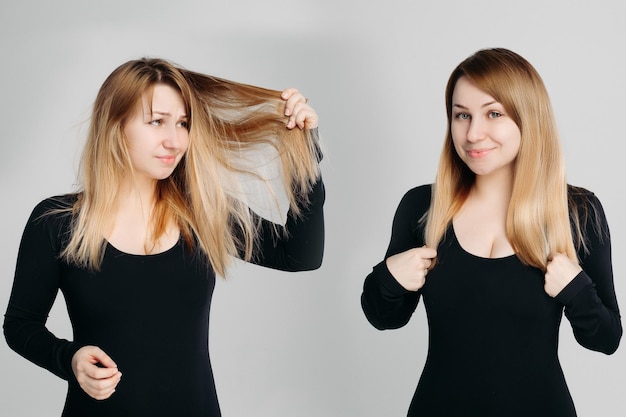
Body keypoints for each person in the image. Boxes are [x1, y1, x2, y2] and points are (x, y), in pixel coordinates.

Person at [4, 58, 324, 416]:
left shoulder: (202, 212)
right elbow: (20, 324)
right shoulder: (57, 222)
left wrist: (303, 150)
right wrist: (69, 359)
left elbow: (300, 256)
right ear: (116, 124)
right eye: (157, 122)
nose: (175, 140)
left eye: (183, 124)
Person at [361, 48, 621, 417]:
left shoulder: (577, 213)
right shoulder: (423, 207)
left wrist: (577, 291)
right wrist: (388, 278)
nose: (472, 133)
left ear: (528, 119)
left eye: (493, 114)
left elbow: (607, 339)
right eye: (461, 115)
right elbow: (385, 317)